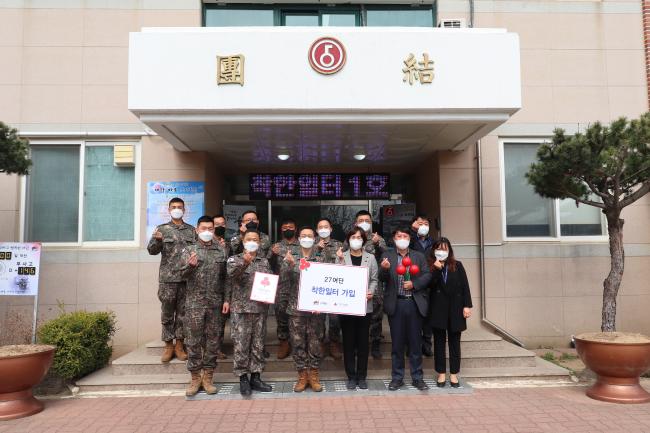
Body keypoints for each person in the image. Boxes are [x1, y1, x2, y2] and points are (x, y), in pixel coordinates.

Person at [379, 226, 432, 391]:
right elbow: (382, 278)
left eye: (405, 236)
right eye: (399, 236)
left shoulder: (418, 256)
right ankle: (397, 377)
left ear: (409, 239)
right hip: (397, 303)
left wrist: (414, 284)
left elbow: (427, 275)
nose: (402, 238)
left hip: (414, 303)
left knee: (415, 343)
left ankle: (417, 377)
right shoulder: (387, 255)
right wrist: (385, 269)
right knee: (397, 344)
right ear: (394, 238)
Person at [223, 229, 274, 396]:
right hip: (241, 309)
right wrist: (244, 262)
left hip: (259, 309)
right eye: (249, 239)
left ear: (259, 243)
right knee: (241, 345)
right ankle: (243, 378)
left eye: (255, 239)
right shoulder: (234, 259)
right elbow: (232, 276)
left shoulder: (264, 261)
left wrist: (270, 294)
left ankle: (256, 377)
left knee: (258, 344)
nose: (252, 241)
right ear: (243, 241)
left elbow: (270, 280)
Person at [182, 215, 228, 396]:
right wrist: (189, 266)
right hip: (194, 304)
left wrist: (227, 299)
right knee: (193, 341)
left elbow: (226, 279)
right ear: (197, 229)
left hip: (215, 304)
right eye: (204, 228)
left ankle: (208, 377)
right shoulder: (189, 250)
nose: (207, 232)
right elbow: (180, 275)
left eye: (210, 229)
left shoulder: (221, 251)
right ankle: (195, 378)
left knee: (213, 341)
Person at [147, 197, 194, 362]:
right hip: (168, 279)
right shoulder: (162, 229)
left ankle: (180, 345)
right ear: (169, 210)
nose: (176, 209)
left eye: (179, 207)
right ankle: (168, 345)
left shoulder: (191, 231)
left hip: (186, 278)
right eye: (173, 207)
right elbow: (151, 251)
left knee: (182, 313)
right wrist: (156, 239)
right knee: (167, 313)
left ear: (184, 209)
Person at [282, 227, 326, 392]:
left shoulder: (322, 257)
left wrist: (321, 303)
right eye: (303, 235)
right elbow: (283, 279)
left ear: (315, 238)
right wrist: (290, 265)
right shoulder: (290, 256)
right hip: (296, 308)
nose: (306, 238)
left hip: (316, 308)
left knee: (316, 342)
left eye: (309, 235)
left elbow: (327, 282)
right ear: (298, 237)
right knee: (298, 342)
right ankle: (302, 375)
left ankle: (314, 375)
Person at [335, 228, 378, 390]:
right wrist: (339, 260)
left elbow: (374, 279)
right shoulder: (341, 256)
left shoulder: (370, 258)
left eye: (359, 237)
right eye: (353, 237)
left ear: (363, 240)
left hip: (364, 307)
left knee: (362, 344)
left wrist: (371, 292)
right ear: (348, 239)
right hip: (346, 307)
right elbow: (335, 278)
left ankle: (362, 376)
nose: (356, 239)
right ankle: (351, 376)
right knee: (348, 342)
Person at [428, 237, 473, 388]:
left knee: (455, 343)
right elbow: (429, 286)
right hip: (438, 309)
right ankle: (441, 373)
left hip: (455, 309)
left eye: (444, 248)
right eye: (439, 248)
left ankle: (454, 373)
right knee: (439, 343)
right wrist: (436, 270)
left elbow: (465, 287)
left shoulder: (457, 265)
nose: (441, 251)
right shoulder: (431, 266)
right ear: (434, 250)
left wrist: (467, 306)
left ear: (449, 250)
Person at [349, 210, 388, 359]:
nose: (364, 222)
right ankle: (359, 344)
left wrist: (378, 244)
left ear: (371, 223)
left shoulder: (377, 239)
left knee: (376, 314)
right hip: (354, 283)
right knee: (357, 314)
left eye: (367, 220)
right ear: (356, 223)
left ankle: (376, 343)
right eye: (361, 220)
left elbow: (386, 255)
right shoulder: (351, 238)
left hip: (374, 281)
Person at [269, 218, 301, 359]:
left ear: (296, 229)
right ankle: (283, 342)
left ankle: (298, 344)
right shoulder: (276, 246)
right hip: (280, 288)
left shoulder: (302, 245)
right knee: (281, 317)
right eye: (285, 227)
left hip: (298, 288)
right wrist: (272, 254)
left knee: (298, 318)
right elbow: (267, 266)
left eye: (291, 227)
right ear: (281, 230)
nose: (288, 229)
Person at [315, 217, 344, 360]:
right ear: (316, 230)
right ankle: (320, 343)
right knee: (318, 318)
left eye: (326, 227)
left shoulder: (339, 245)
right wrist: (317, 250)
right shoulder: (311, 244)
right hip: (317, 288)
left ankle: (334, 343)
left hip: (334, 287)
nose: (323, 229)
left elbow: (344, 264)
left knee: (335, 318)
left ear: (331, 229)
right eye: (320, 227)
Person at [409, 214, 435, 357]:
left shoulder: (434, 242)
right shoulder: (410, 240)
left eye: (425, 223)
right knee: (413, 315)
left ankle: (427, 344)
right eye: (420, 223)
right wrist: (412, 231)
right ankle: (413, 345)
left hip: (429, 283)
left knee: (428, 316)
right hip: (413, 282)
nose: (423, 226)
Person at [213, 214, 230, 360]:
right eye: (217, 224)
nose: (220, 226)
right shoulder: (204, 243)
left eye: (222, 224)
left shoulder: (229, 243)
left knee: (220, 320)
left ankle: (217, 348)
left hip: (224, 286)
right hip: (207, 288)